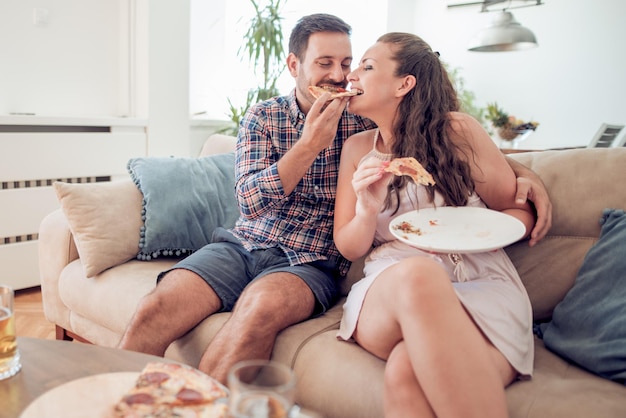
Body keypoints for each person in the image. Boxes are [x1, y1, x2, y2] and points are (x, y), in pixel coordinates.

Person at [118, 14, 549, 385]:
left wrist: (526, 174)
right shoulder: (264, 116)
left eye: (348, 63)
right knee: (156, 307)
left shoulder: (360, 119)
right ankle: (109, 400)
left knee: (259, 308)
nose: (341, 76)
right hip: (244, 244)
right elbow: (249, 201)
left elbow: (445, 140)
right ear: (294, 64)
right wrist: (307, 145)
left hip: (311, 261)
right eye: (325, 63)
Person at [333, 32, 535, 417]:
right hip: (392, 286)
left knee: (406, 369)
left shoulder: (458, 132)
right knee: (420, 274)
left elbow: (515, 209)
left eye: (367, 66)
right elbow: (349, 246)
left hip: (478, 281)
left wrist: (489, 232)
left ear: (404, 84)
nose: (351, 74)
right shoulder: (357, 149)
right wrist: (367, 209)